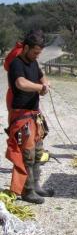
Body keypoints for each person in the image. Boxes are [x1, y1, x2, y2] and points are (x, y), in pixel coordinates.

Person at [6, 30, 53, 204]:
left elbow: (42, 76)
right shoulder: (16, 64)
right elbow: (21, 83)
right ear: (26, 48)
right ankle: (27, 191)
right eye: (35, 52)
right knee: (27, 154)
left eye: (39, 53)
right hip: (22, 115)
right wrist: (39, 88)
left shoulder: (34, 62)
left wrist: (45, 83)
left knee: (38, 151)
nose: (36, 56)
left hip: (34, 115)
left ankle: (36, 186)